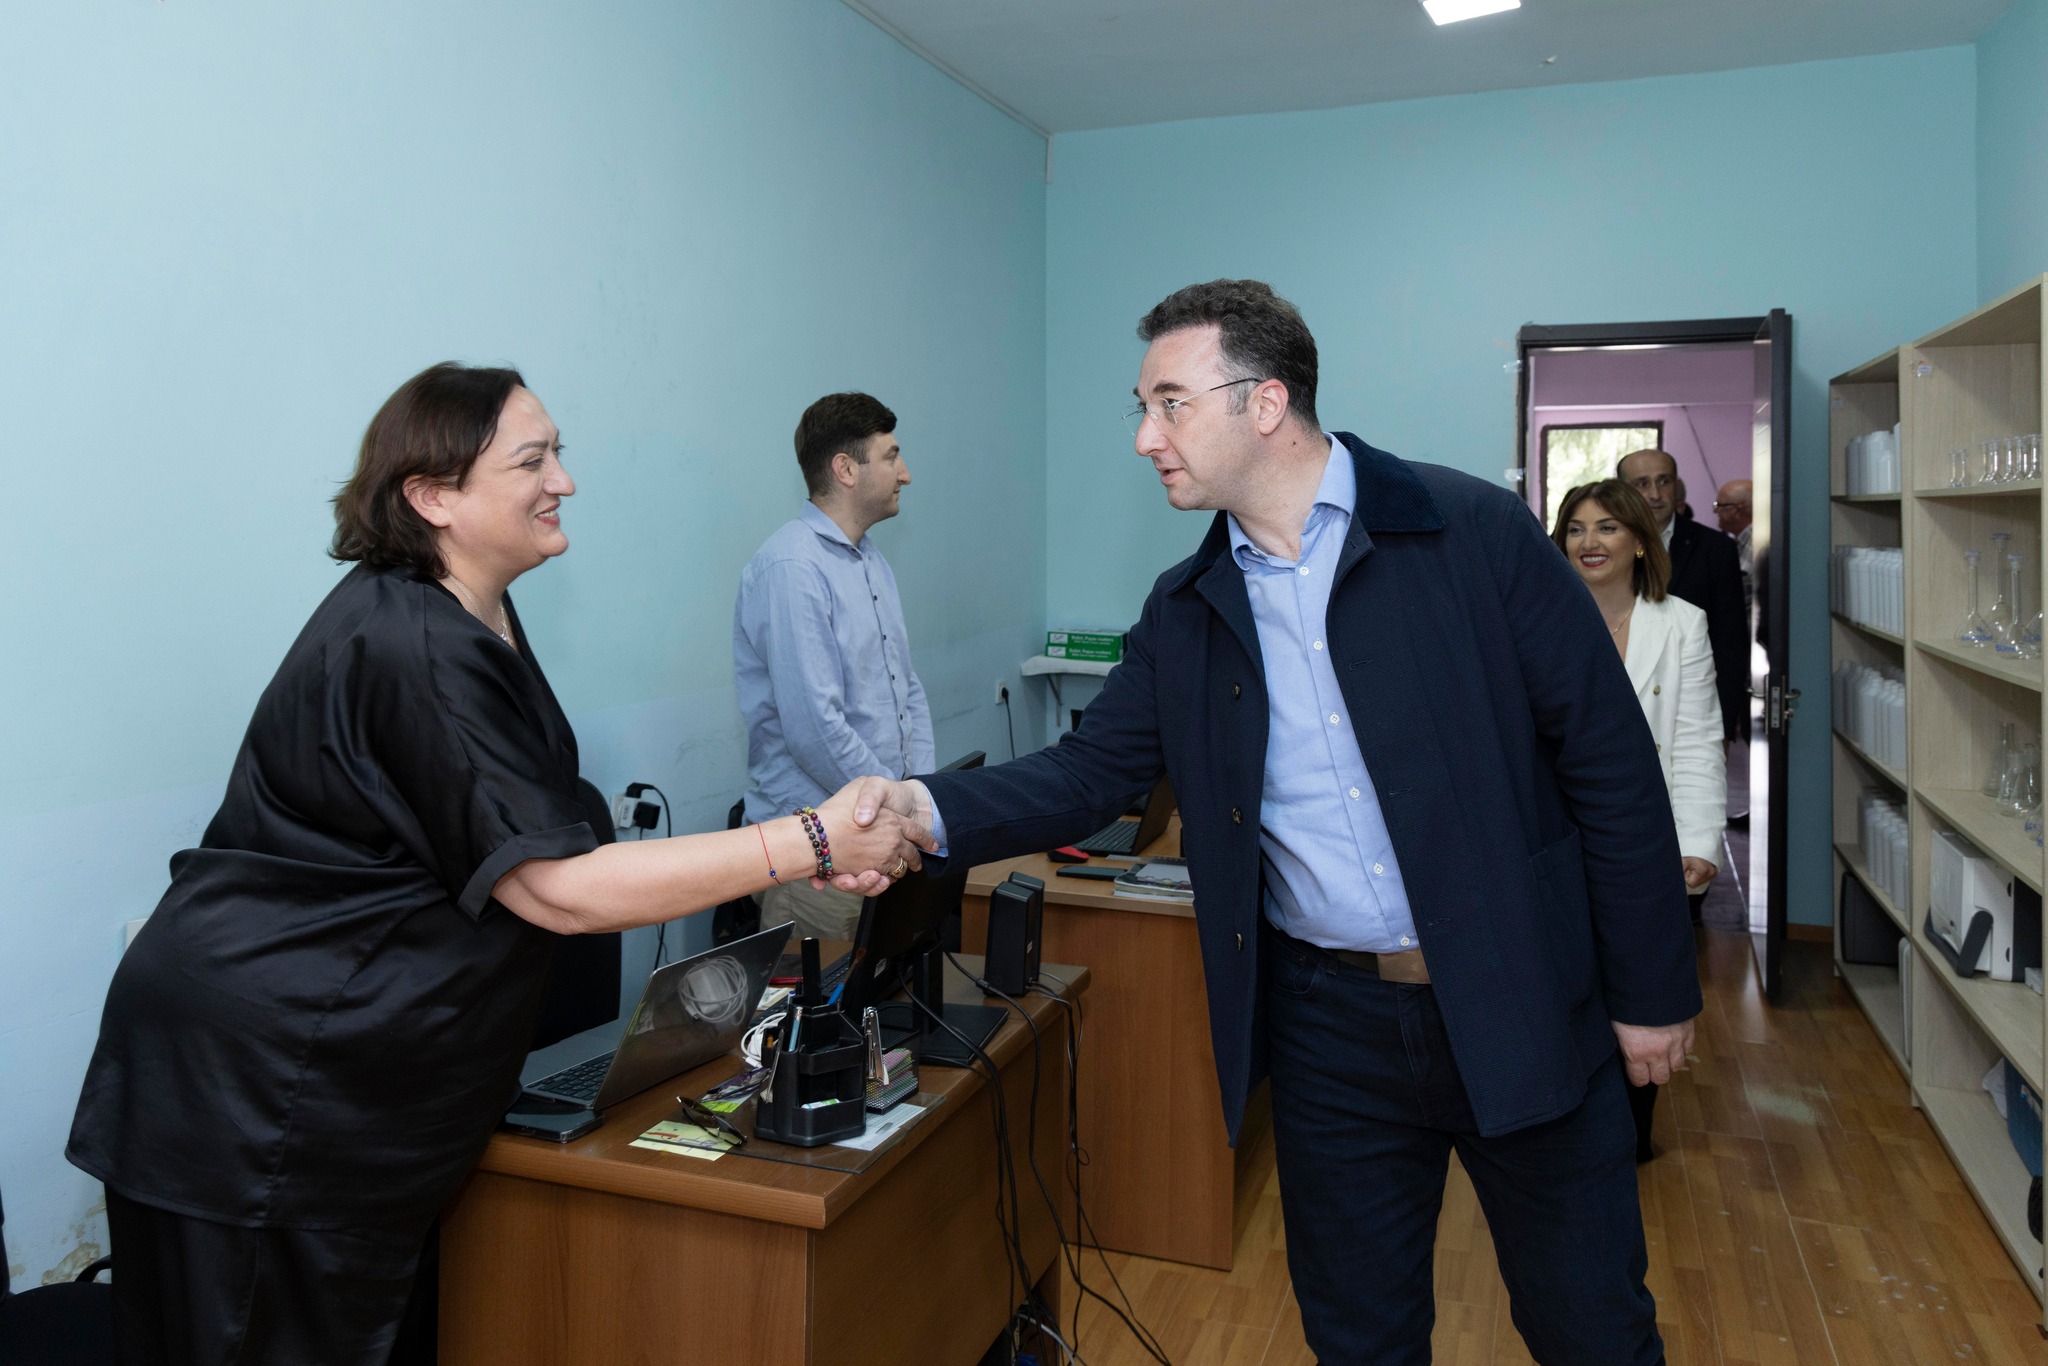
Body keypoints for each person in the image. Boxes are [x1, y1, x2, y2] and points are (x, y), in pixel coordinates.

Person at [851, 280, 1700, 1364]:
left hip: (1519, 989)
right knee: (1357, 1337)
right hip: (1328, 1027)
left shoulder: (1468, 532)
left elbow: (1610, 765)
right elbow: (1089, 772)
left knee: (1593, 1329)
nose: (1145, 437)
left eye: (1169, 403)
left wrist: (1651, 989)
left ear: (1264, 403)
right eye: (1141, 408)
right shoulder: (1186, 607)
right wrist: (919, 806)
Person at [66, 364, 922, 1365]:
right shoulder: (413, 643)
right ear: (433, 496)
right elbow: (558, 887)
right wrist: (813, 839)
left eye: (559, 452)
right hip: (260, 1088)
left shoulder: (476, 613)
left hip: (354, 1075)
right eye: (531, 461)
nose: (564, 480)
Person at [1554, 479, 1724, 1160]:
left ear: (1640, 542)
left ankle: (1630, 1135)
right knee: (1569, 980)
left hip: (1646, 840)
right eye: (1575, 528)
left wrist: (1699, 838)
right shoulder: (1540, 618)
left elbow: (1697, 740)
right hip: (1560, 836)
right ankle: (1567, 1124)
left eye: (1607, 527)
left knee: (1641, 981)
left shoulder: (1681, 623)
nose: (1589, 542)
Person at [734, 391, 934, 942]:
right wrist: (899, 810)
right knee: (823, 997)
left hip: (879, 834)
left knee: (885, 988)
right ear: (846, 469)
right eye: (891, 457)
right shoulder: (792, 567)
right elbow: (815, 729)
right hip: (815, 857)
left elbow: (907, 689)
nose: (905, 473)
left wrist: (919, 795)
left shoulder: (870, 560)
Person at [1617, 448, 1748, 740]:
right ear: (1623, 491)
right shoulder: (1607, 544)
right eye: (1642, 483)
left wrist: (1724, 727)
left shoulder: (1715, 549)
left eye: (1664, 481)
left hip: (1692, 712)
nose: (1655, 494)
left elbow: (1731, 646)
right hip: (1624, 708)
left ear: (1677, 486)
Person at [1715, 477, 1755, 605]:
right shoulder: (1743, 540)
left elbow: (1736, 593)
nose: (1715, 511)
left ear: (1737, 511)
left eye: (1719, 506)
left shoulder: (1754, 544)